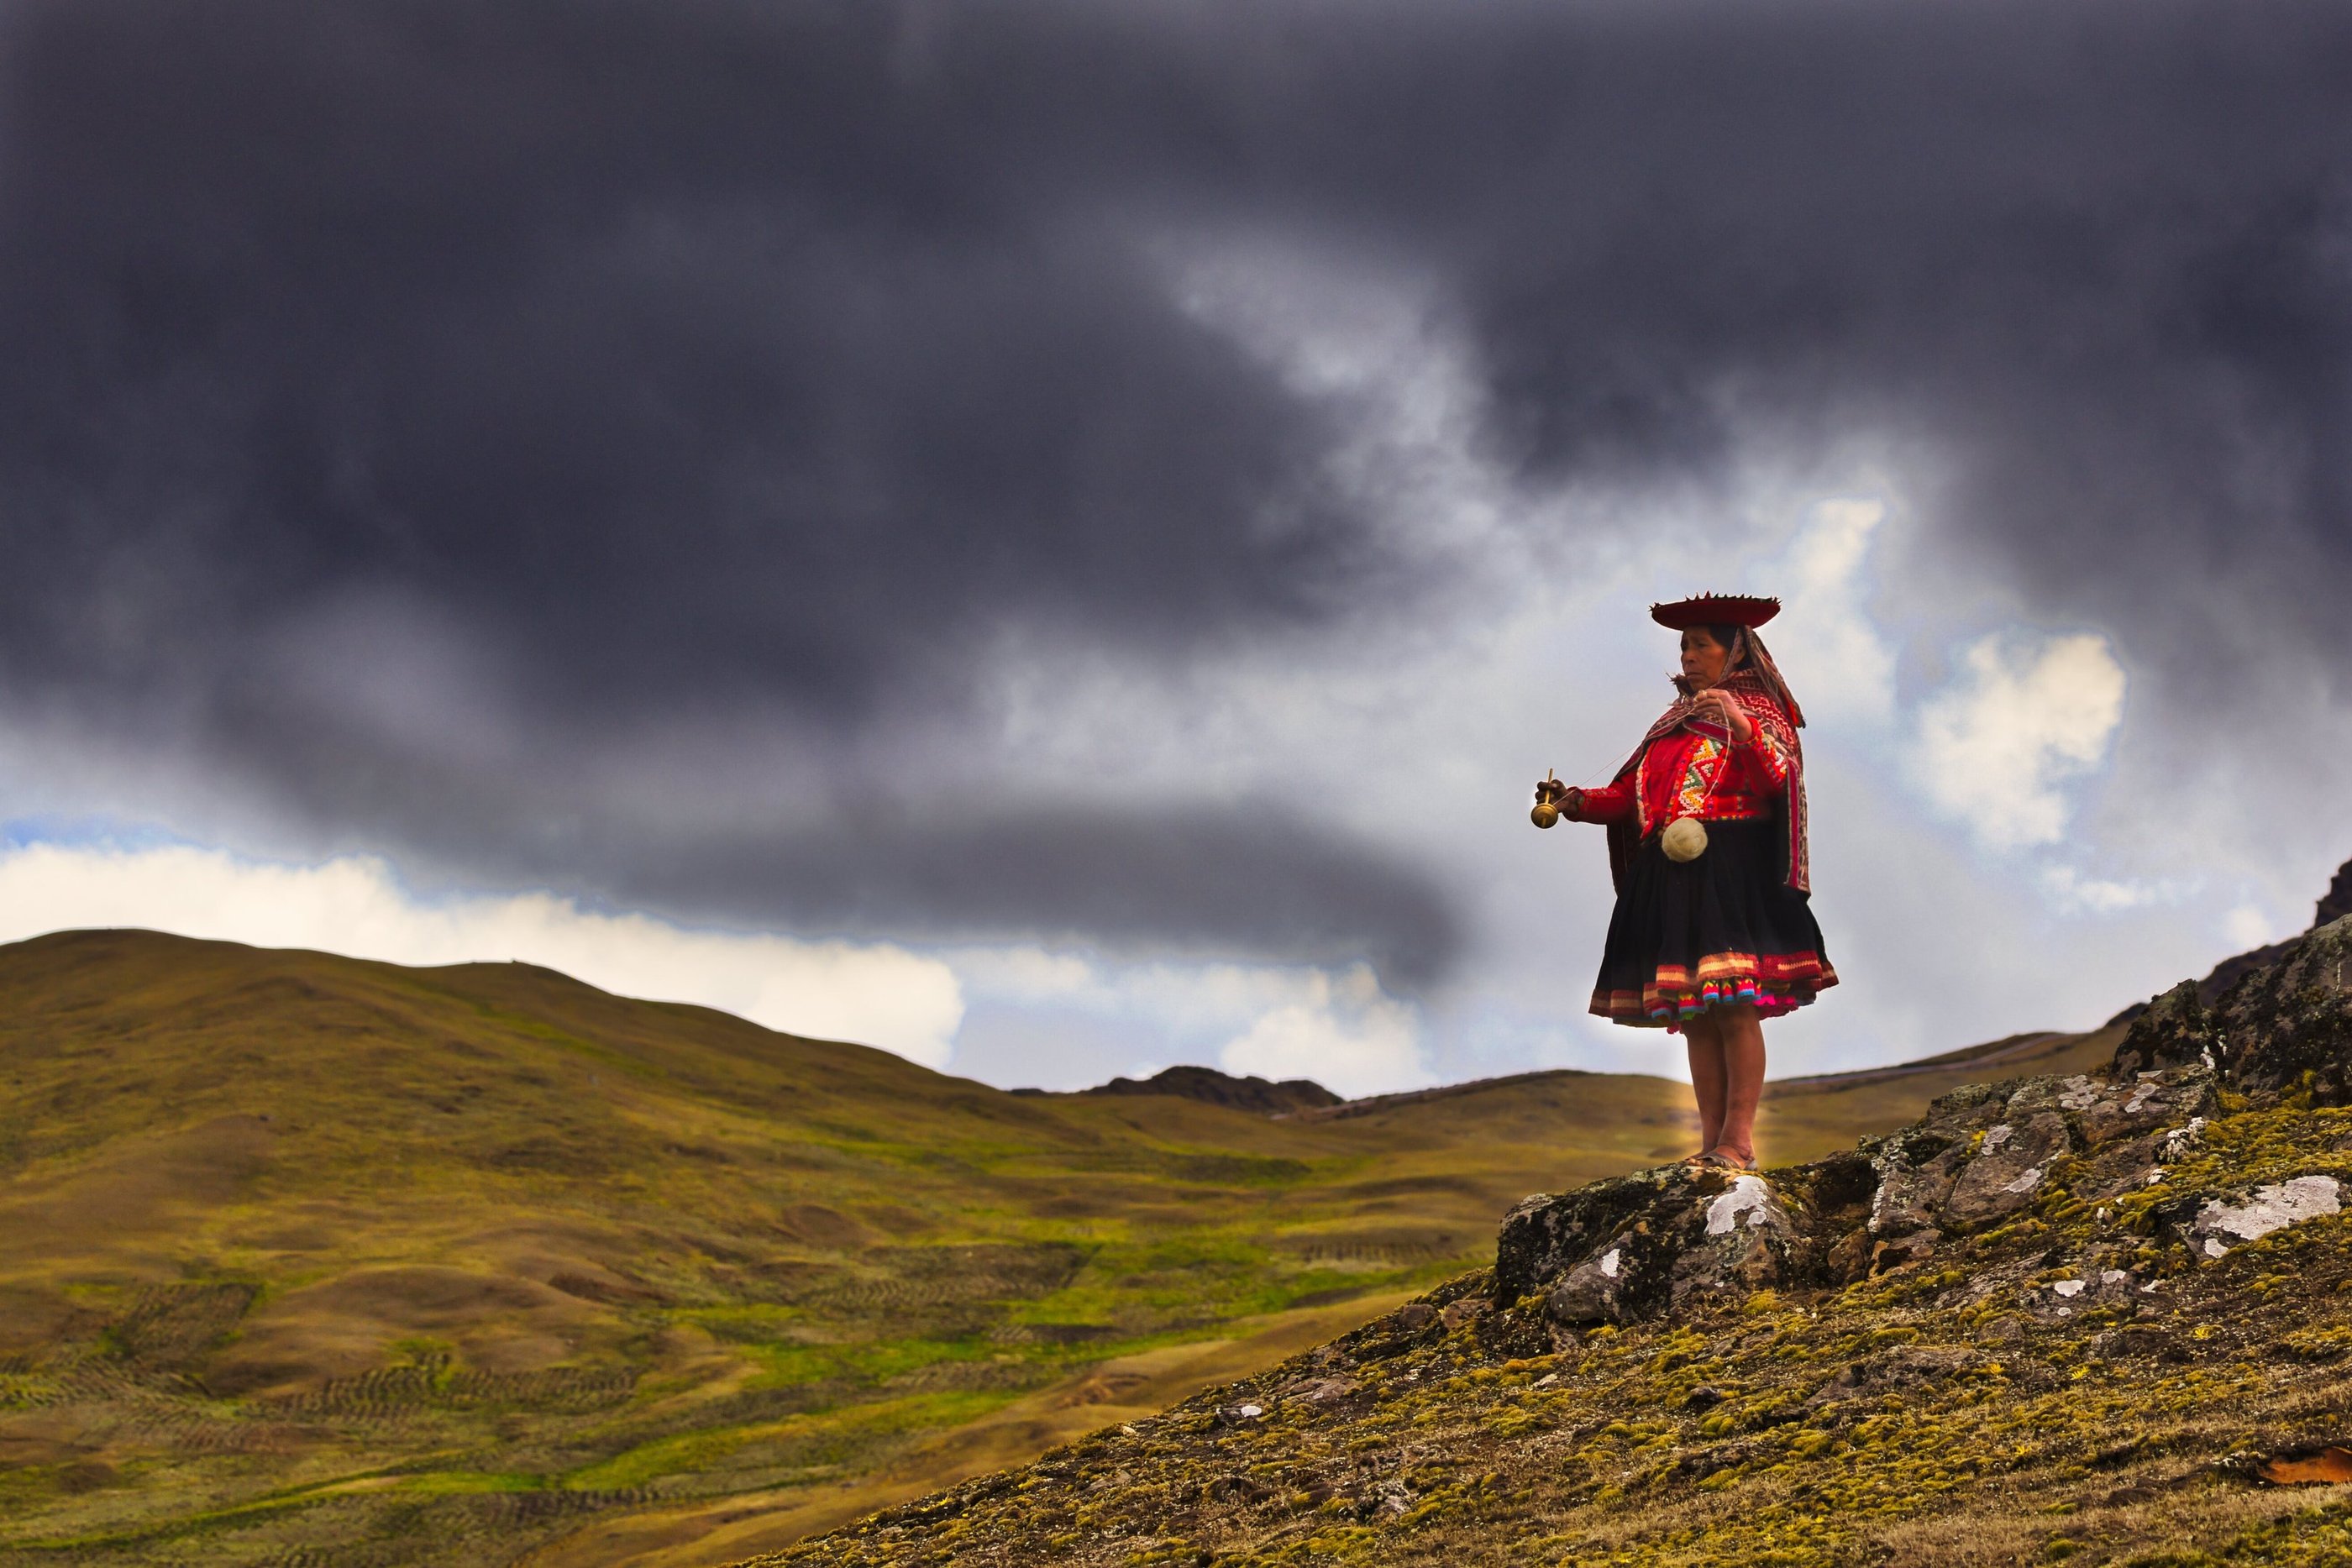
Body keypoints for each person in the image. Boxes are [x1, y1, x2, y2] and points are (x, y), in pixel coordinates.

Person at [1534, 593, 1835, 1172]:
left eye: (1701, 644)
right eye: (1684, 645)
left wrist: (1741, 725)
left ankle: (1739, 1140)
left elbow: (1780, 782)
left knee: (1734, 1005)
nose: (1689, 656)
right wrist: (1579, 802)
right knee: (1696, 1012)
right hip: (1671, 875)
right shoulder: (1672, 724)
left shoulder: (1761, 712)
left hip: (1733, 869)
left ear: (1735, 651)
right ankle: (1709, 1142)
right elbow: (1632, 795)